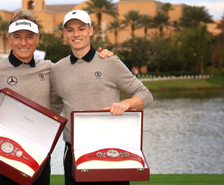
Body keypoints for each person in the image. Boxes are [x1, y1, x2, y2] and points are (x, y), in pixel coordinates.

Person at [0, 9, 115, 185]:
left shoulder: (50, 69)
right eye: (17, 37)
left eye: (29, 36)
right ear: (9, 39)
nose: (24, 42)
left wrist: (104, 57)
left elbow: (58, 101)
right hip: (2, 153)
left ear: (37, 39)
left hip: (38, 156)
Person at [50, 10, 154, 185]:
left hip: (112, 149)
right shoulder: (57, 69)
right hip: (73, 152)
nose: (76, 34)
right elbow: (52, 109)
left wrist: (126, 104)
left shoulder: (110, 62)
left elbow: (146, 95)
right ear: (65, 34)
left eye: (81, 29)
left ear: (90, 30)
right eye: (70, 30)